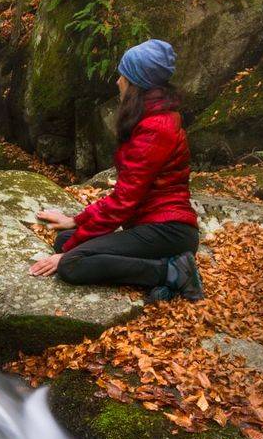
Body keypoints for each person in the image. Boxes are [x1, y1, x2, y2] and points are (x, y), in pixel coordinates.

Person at [28, 38, 203, 302]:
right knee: (64, 240)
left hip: (169, 231)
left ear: (136, 84)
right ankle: (161, 269)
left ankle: (170, 271)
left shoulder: (156, 128)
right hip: (151, 226)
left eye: (123, 75)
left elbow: (123, 201)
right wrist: (75, 221)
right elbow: (126, 196)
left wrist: (69, 254)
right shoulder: (151, 117)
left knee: (70, 263)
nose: (117, 81)